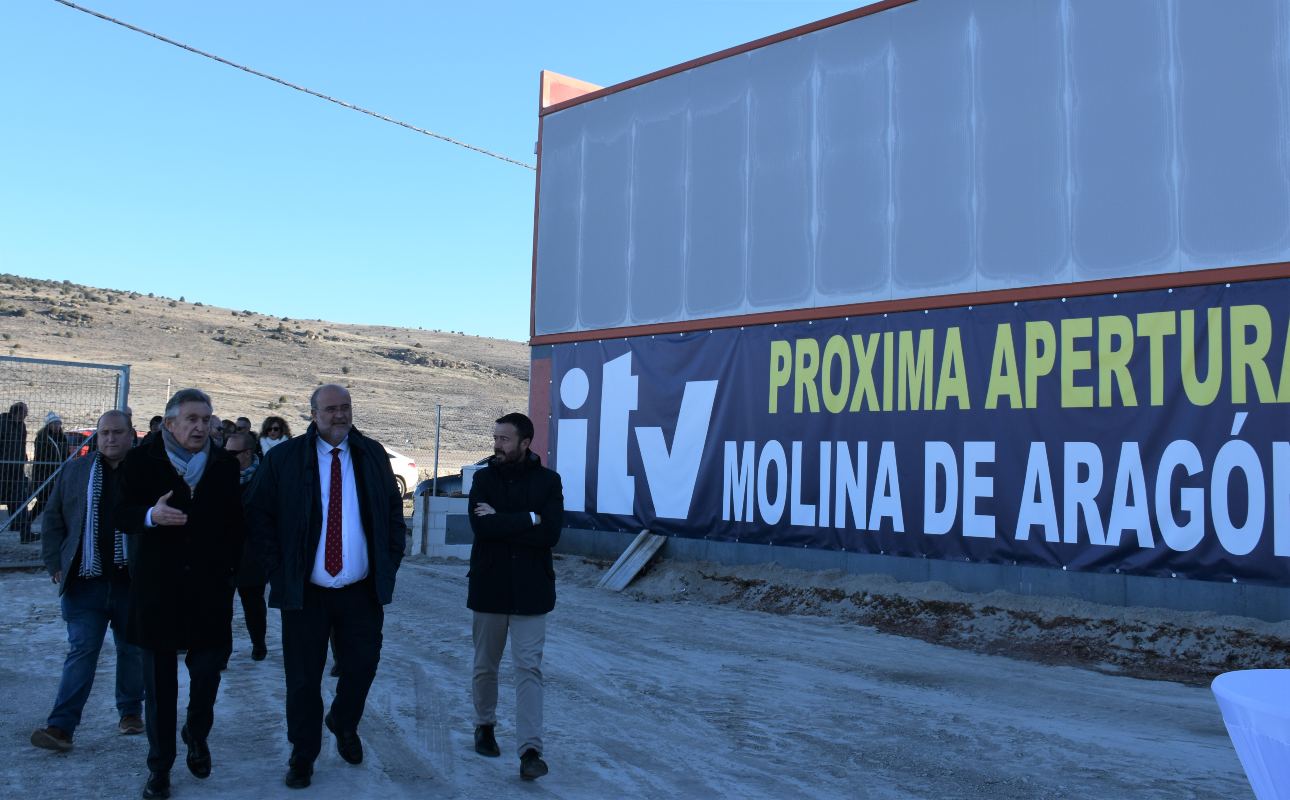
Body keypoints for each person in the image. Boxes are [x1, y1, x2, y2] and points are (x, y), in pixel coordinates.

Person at [246, 384, 405, 790]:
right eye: (331, 409)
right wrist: (278, 569)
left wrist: (389, 558)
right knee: (302, 679)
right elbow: (257, 515)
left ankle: (343, 721)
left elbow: (391, 510)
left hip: (360, 589)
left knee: (362, 667)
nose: (340, 415)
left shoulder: (371, 455)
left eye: (346, 408)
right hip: (306, 592)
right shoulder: (285, 458)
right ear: (313, 413)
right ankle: (303, 755)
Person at [119, 388, 245, 799]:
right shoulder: (142, 461)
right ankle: (159, 767)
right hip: (157, 592)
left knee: (207, 676)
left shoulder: (224, 465)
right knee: (159, 689)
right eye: (191, 418)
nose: (200, 426)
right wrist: (150, 516)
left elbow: (235, 525)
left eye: (205, 419)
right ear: (170, 423)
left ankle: (196, 732)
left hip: (209, 593)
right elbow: (116, 514)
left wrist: (232, 573)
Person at [31, 410, 145, 752]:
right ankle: (61, 727)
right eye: (104, 432)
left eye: (117, 432)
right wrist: (55, 563)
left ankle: (130, 712)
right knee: (81, 652)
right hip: (84, 584)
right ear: (97, 435)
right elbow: (53, 519)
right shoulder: (76, 470)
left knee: (131, 650)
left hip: (131, 583)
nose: (110, 439)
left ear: (131, 435)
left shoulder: (147, 473)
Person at [467, 412, 564, 781]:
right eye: (496, 438)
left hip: (531, 591)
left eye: (505, 439)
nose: (497, 445)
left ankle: (530, 751)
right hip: (489, 587)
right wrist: (529, 518)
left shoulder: (549, 482)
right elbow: (481, 526)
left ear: (526, 443)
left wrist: (506, 520)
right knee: (485, 667)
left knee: (529, 670)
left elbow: (550, 534)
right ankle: (484, 725)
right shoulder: (483, 478)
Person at [226, 432, 267, 662]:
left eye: (233, 453)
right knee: (222, 607)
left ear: (248, 453)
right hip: (225, 552)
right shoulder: (221, 475)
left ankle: (258, 643)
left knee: (253, 604)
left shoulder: (264, 478)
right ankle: (222, 652)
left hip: (253, 552)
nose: (227, 457)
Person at [1, 401, 33, 541]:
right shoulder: (2, 423)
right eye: (25, 412)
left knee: (21, 498)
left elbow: (22, 443)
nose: (27, 414)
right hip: (2, 469)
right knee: (11, 498)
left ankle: (24, 532)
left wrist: (23, 456)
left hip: (17, 469)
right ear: (18, 412)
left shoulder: (22, 426)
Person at [32, 411, 69, 521]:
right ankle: (26, 525)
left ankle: (55, 525)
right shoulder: (42, 438)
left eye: (58, 423)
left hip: (59, 474)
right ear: (49, 425)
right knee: (43, 501)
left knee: (57, 501)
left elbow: (65, 455)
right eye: (54, 424)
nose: (57, 426)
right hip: (45, 474)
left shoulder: (62, 438)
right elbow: (41, 457)